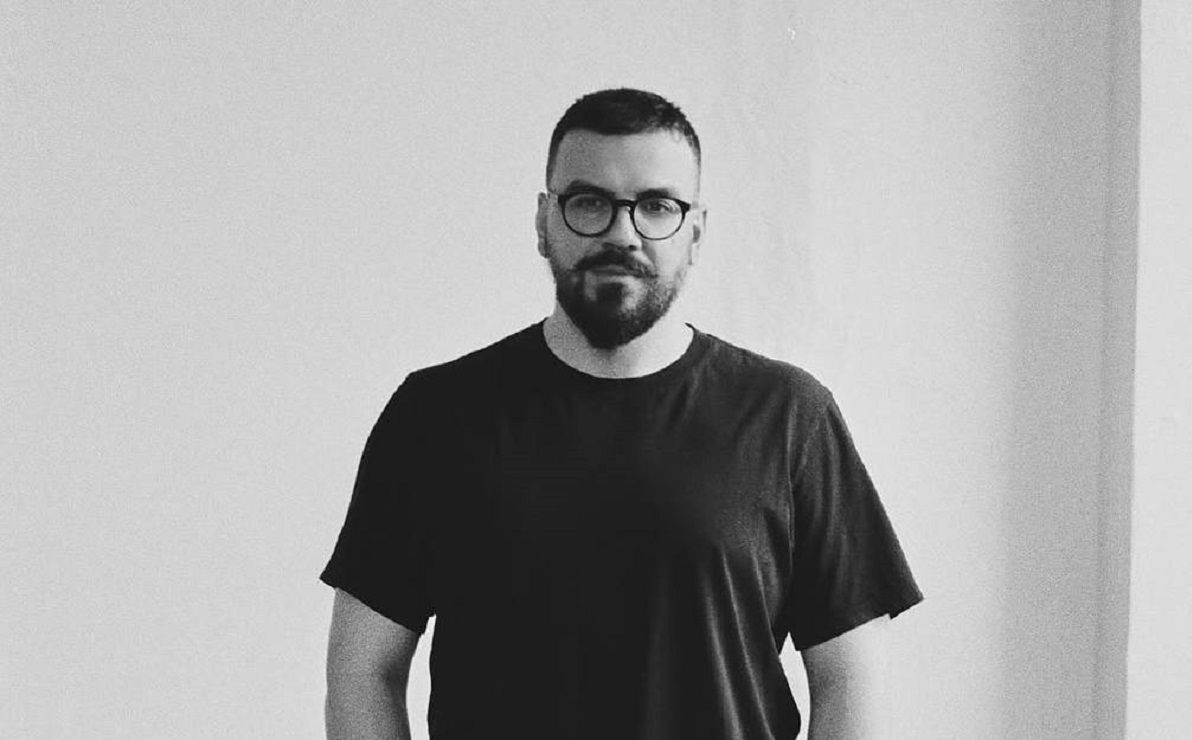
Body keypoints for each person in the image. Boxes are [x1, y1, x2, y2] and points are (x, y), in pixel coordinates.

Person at [321, 88, 922, 739]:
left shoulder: (788, 417)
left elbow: (850, 678)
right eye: (589, 203)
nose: (621, 233)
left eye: (657, 206)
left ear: (695, 232)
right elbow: (363, 670)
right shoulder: (436, 418)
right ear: (544, 222)